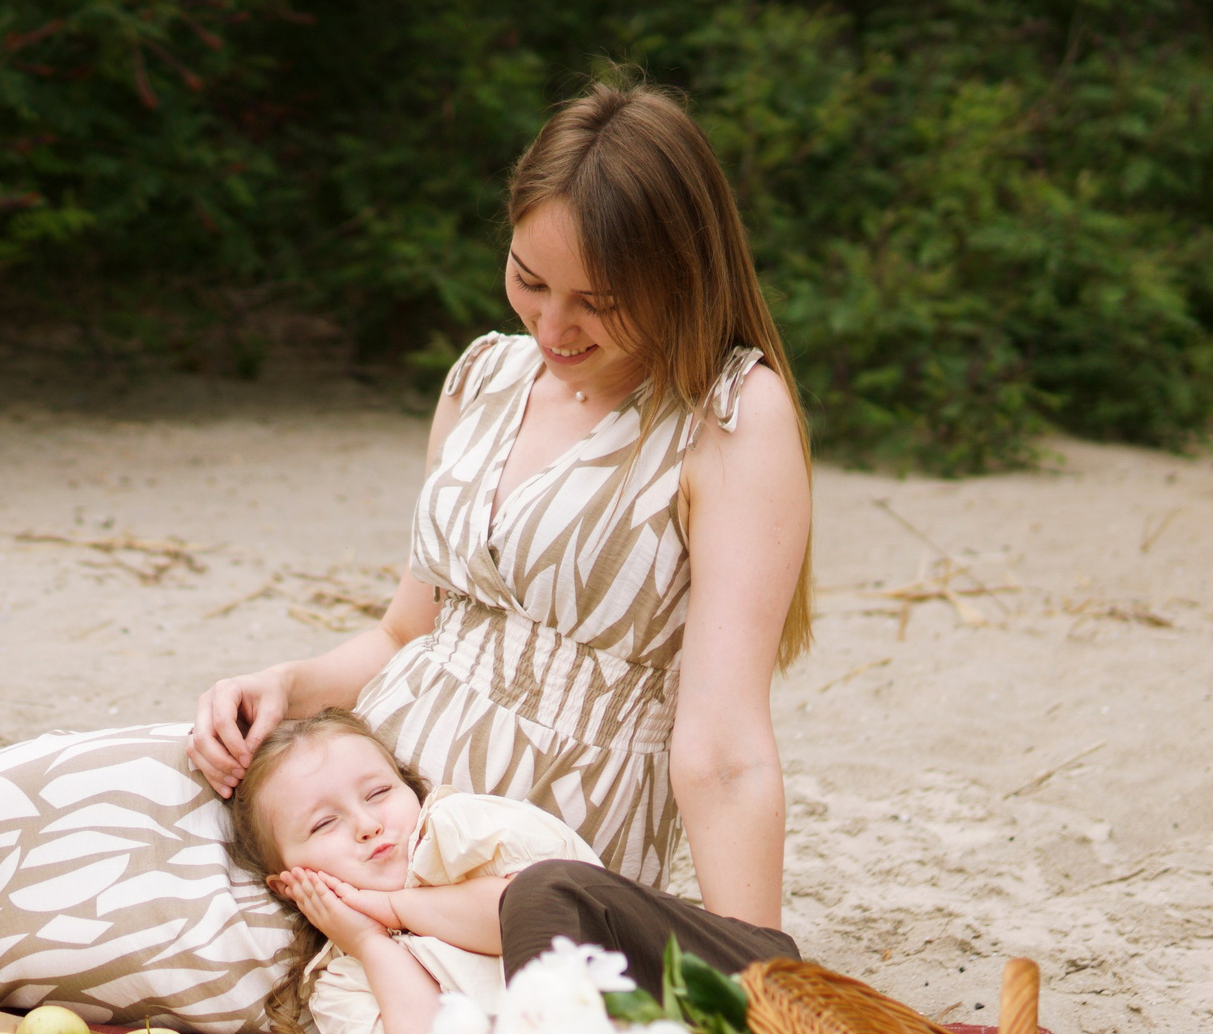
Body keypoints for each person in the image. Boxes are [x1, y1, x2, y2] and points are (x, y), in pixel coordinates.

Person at [192, 75, 813, 935]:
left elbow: (724, 753)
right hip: (368, 793)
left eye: (598, 302)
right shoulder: (485, 375)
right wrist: (285, 686)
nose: (553, 328)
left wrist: (759, 981)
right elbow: (406, 633)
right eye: (530, 280)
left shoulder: (728, 417)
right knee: (57, 807)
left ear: (681, 274)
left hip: (518, 858)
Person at [225, 708, 601, 1034]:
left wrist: (395, 908)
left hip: (625, 992)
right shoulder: (343, 981)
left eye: (379, 793)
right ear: (289, 885)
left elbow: (547, 916)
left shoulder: (459, 831)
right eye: (324, 823)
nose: (368, 825)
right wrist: (370, 942)